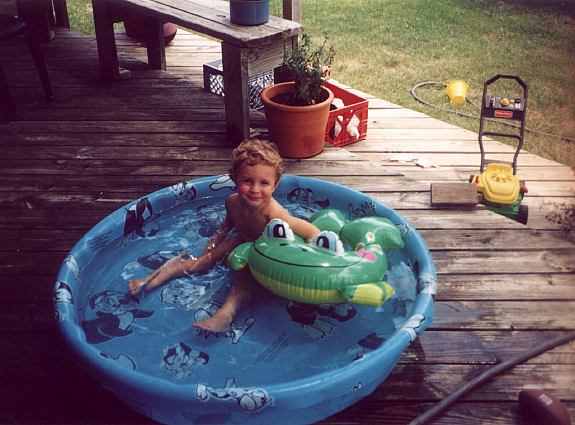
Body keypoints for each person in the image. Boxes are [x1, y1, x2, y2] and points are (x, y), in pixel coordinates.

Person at [128, 139, 320, 332]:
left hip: (261, 251)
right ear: (235, 178)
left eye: (264, 183)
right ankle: (150, 279)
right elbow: (226, 225)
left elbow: (311, 230)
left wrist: (312, 254)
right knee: (202, 262)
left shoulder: (274, 215)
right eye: (247, 181)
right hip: (240, 240)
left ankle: (225, 315)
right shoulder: (232, 202)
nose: (255, 189)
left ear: (275, 185)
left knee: (243, 279)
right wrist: (213, 243)